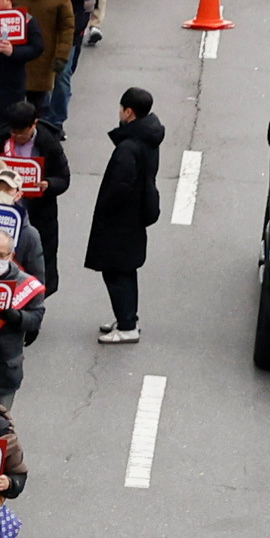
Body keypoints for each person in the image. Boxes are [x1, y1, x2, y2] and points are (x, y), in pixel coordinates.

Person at [83, 78, 169, 344]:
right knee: (126, 269)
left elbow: (120, 186)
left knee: (115, 271)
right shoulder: (148, 138)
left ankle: (127, 325)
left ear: (129, 111)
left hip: (120, 220)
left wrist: (104, 209)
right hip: (135, 215)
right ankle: (127, 317)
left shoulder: (128, 148)